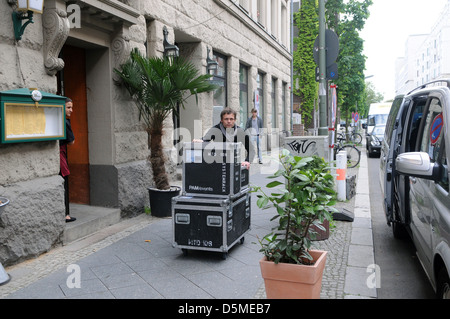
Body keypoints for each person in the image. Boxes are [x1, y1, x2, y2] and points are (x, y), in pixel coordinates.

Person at [60, 98, 76, 223]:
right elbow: (71, 141)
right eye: (68, 107)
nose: (71, 110)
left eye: (71, 107)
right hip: (61, 155)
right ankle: (66, 214)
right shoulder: (64, 122)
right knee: (64, 183)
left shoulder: (57, 119)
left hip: (58, 155)